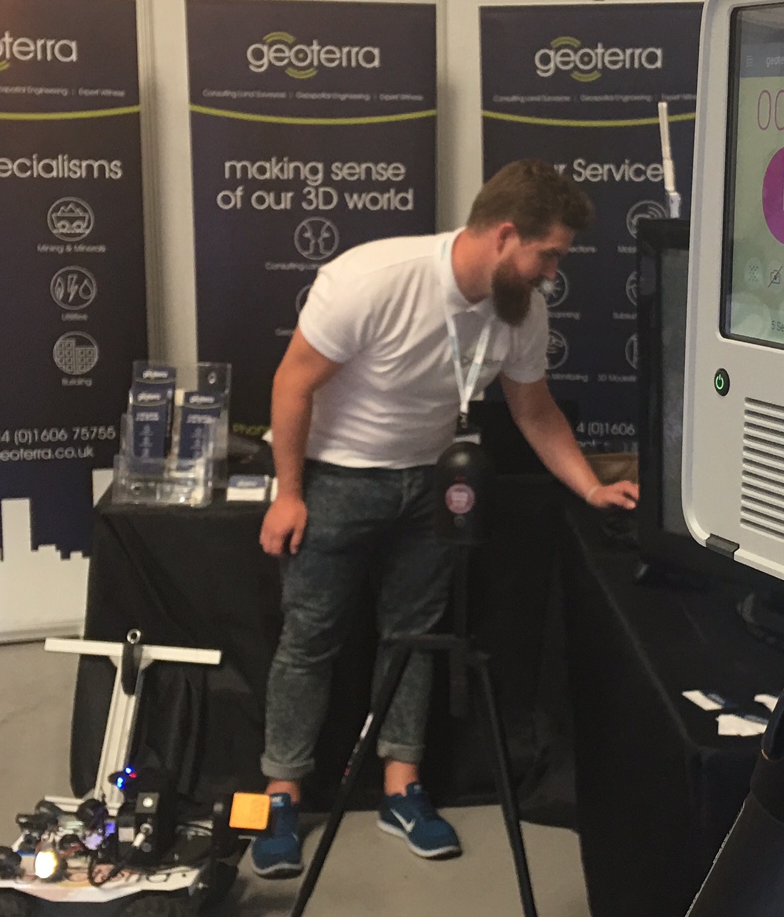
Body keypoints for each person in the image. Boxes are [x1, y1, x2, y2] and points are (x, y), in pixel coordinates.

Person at [250, 158, 639, 878]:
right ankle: (281, 797)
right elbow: (292, 381)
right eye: (548, 254)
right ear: (504, 235)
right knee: (309, 641)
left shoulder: (520, 307)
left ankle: (402, 789)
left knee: (415, 640)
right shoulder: (372, 279)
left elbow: (534, 410)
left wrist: (591, 489)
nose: (552, 273)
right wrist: (290, 492)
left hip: (433, 486)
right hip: (335, 480)